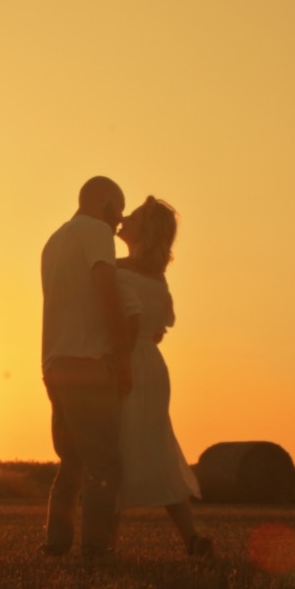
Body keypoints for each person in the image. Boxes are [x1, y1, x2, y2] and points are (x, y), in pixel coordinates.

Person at [40, 176, 139, 558]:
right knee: (104, 461)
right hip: (87, 362)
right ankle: (96, 548)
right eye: (119, 207)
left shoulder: (54, 240)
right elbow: (107, 290)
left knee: (73, 461)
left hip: (54, 362)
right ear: (103, 200)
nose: (120, 220)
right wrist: (122, 355)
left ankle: (56, 541)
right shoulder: (96, 232)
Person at [113, 197, 211, 556]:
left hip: (124, 362)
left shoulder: (114, 269)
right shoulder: (158, 278)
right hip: (153, 365)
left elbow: (130, 322)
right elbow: (159, 331)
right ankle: (192, 539)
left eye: (133, 216)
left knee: (113, 451)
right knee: (158, 450)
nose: (123, 218)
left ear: (145, 230)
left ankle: (104, 546)